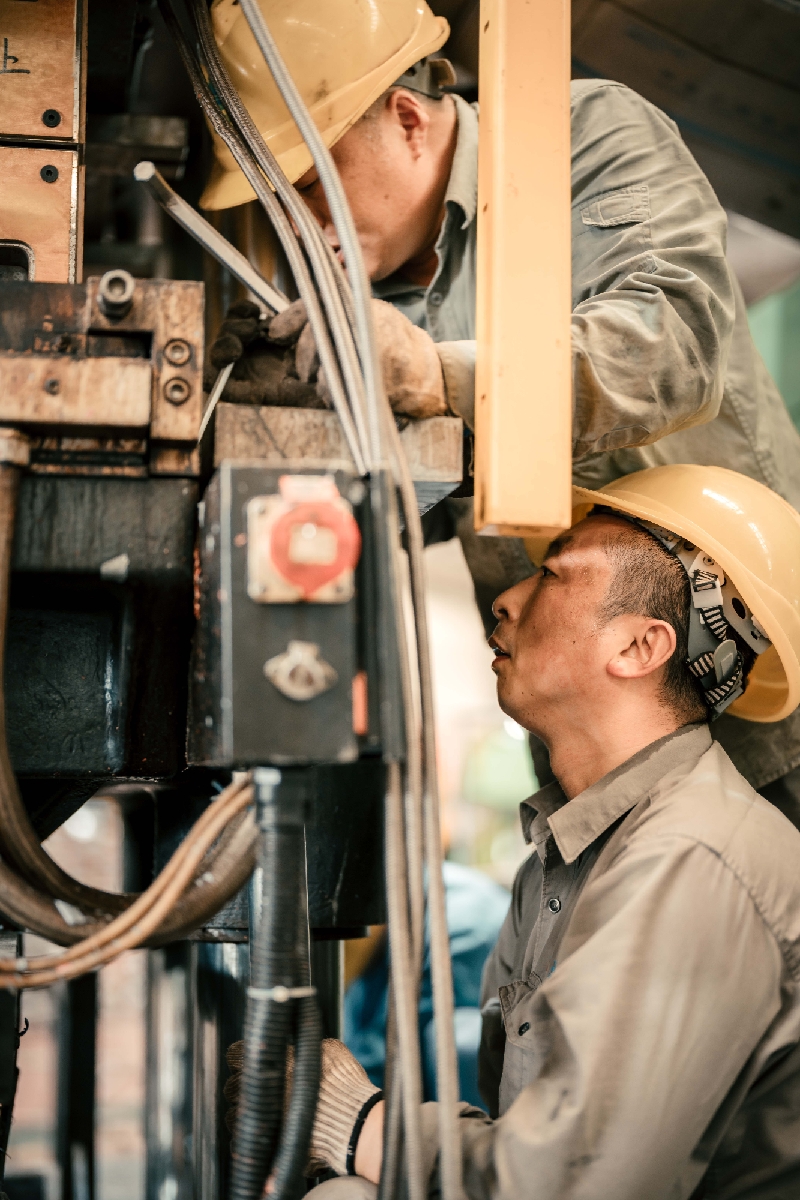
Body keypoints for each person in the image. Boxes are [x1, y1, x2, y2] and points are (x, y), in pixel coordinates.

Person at [204, 0, 800, 815]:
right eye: (280, 202)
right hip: (587, 737)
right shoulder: (354, 304)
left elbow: (671, 351)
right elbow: (422, 511)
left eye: (311, 184)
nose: (305, 225)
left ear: (408, 119)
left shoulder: (575, 141)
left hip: (762, 695)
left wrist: (437, 377)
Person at [267, 463, 800, 1197]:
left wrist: (362, 1127)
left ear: (639, 648)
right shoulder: (567, 857)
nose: (507, 599)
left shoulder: (693, 858)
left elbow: (558, 1185)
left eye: (551, 574)